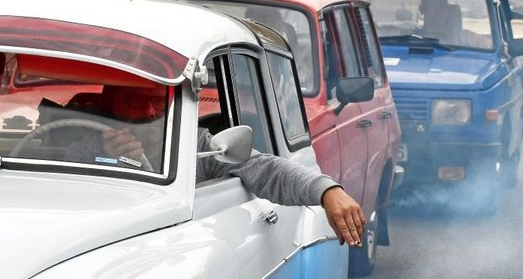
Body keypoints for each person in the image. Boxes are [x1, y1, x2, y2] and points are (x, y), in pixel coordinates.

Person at [64, 84, 366, 246]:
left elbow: (264, 168)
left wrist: (327, 190)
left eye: (156, 99)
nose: (147, 110)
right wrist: (102, 157)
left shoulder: (197, 147)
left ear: (172, 104)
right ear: (110, 102)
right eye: (131, 99)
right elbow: (61, 195)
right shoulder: (87, 145)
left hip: (171, 250)